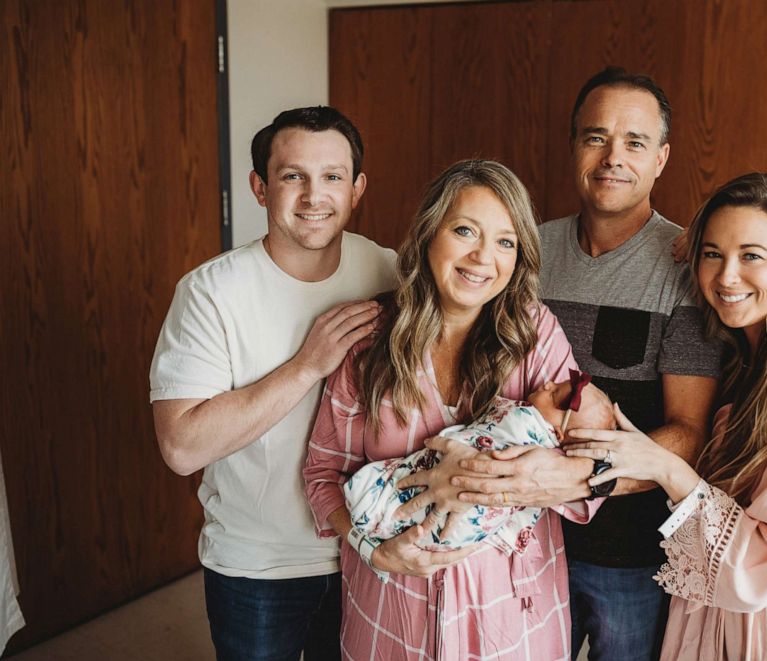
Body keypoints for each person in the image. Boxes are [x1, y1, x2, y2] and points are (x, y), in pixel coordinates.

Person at [423, 66, 722, 660]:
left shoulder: (687, 271)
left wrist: (578, 479)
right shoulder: (520, 250)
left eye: (634, 142)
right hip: (513, 543)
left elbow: (689, 435)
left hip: (624, 557)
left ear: (661, 159)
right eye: (595, 137)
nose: (613, 157)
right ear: (573, 148)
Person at [566, 172, 767, 660]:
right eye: (713, 254)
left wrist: (664, 466)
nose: (726, 276)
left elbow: (761, 559)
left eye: (752, 256)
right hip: (721, 605)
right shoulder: (749, 349)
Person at [304, 159, 601, 660]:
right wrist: (374, 550)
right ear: (428, 235)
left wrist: (485, 479)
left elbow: (597, 459)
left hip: (511, 613)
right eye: (465, 230)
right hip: (391, 610)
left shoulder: (535, 333)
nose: (484, 257)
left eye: (506, 242)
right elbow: (322, 473)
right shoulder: (369, 344)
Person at [149, 106, 397, 661]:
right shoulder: (212, 293)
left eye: (332, 176)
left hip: (366, 552)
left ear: (356, 188)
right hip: (257, 568)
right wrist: (307, 365)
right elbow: (182, 448)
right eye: (293, 176)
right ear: (260, 188)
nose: (314, 196)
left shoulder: (389, 271)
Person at [345, 371, 613, 554]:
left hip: (471, 525)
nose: (548, 384)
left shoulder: (528, 425)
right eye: (556, 384)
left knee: (421, 509)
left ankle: (379, 510)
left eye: (556, 396)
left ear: (557, 434)